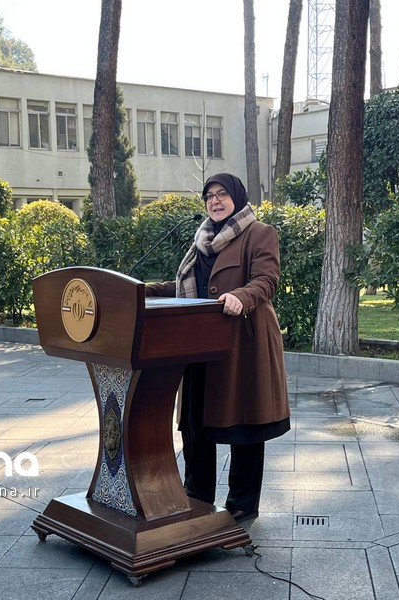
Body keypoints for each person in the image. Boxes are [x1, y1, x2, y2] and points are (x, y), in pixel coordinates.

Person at [146, 173, 291, 523]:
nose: (215, 201)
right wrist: (141, 291)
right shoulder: (202, 241)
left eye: (222, 194)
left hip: (244, 343)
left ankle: (242, 502)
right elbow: (186, 287)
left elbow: (266, 280)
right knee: (195, 422)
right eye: (209, 196)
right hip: (199, 344)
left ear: (236, 197)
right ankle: (196, 495)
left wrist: (241, 296)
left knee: (245, 422)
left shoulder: (259, 233)